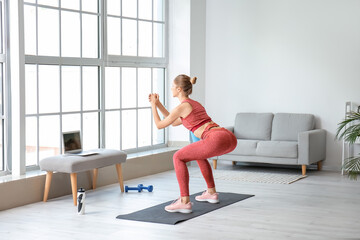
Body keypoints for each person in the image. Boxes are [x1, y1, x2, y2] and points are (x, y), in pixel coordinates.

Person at [149, 74, 237, 213]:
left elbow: (160, 125)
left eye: (172, 86)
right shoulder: (194, 104)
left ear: (178, 89)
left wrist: (153, 106)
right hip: (228, 137)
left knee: (178, 157)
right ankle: (211, 193)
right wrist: (158, 104)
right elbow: (173, 121)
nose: (170, 88)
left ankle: (184, 201)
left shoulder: (182, 107)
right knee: (199, 155)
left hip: (216, 138)